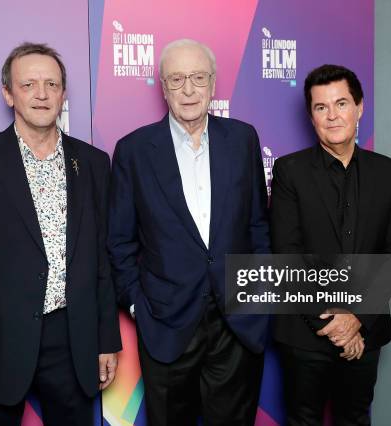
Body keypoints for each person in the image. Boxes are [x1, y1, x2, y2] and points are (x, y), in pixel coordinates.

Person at [0, 42, 121, 425]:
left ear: (63, 94)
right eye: (29, 84)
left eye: (51, 84)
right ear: (8, 93)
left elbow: (100, 261)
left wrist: (106, 340)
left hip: (72, 339)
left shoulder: (93, 163)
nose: (41, 94)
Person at [108, 39, 270, 426]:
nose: (189, 89)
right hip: (165, 324)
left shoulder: (243, 139)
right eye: (177, 79)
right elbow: (119, 242)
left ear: (213, 84)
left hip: (238, 324)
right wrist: (137, 307)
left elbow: (258, 225)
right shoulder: (133, 150)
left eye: (198, 78)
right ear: (163, 88)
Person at [270, 64, 391, 426]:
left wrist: (356, 319)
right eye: (321, 107)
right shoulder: (289, 171)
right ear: (311, 115)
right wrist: (335, 323)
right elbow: (287, 254)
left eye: (341, 103)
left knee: (356, 418)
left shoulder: (388, 173)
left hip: (366, 329)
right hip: (304, 332)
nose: (332, 116)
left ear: (360, 107)